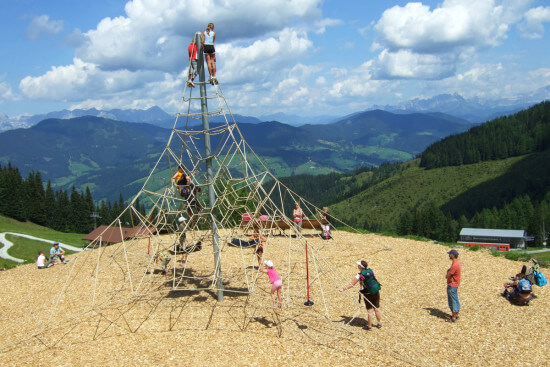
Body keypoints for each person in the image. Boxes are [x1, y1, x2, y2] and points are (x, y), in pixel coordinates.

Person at [340, 260, 382, 330]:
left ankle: (369, 326)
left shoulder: (360, 275)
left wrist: (343, 289)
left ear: (360, 267)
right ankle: (379, 323)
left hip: (368, 293)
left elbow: (352, 284)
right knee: (376, 308)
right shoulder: (370, 271)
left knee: (370, 310)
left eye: (358, 265)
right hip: (376, 291)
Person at [446, 249, 461, 322]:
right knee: (455, 299)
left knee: (452, 300)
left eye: (450, 254)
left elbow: (449, 275)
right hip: (456, 284)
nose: (449, 255)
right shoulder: (457, 263)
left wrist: (447, 275)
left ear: (453, 255)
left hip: (452, 285)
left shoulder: (454, 265)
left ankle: (453, 317)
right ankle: (456, 314)